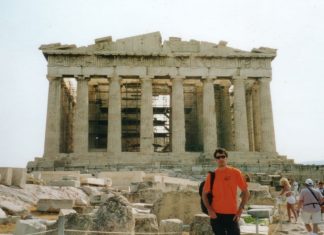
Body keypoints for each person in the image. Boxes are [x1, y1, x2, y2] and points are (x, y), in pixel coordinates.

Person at [202, 148, 250, 235]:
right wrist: (210, 210)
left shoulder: (235, 172)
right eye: (218, 157)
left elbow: (246, 192)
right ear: (215, 160)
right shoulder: (211, 175)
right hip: (216, 214)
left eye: (223, 156)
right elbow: (204, 194)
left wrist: (240, 210)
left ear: (226, 158)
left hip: (232, 214)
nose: (221, 159)